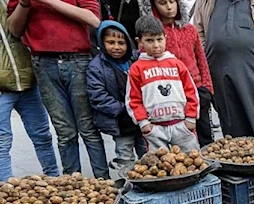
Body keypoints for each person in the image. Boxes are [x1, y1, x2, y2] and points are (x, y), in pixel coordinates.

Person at [7, 0, 110, 179]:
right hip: (44, 63)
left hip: (79, 60)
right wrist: (24, 4)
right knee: (64, 131)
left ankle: (104, 182)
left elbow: (93, 19)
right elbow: (14, 30)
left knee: (88, 128)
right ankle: (72, 186)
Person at [193, 0, 254, 137]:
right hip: (219, 73)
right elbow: (197, 33)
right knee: (231, 125)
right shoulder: (207, 3)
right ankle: (236, 158)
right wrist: (205, 56)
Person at [141, 0, 214, 147]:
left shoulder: (190, 30)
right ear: (153, 6)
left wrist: (207, 88)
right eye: (162, 3)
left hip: (197, 88)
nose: (169, 7)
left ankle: (210, 168)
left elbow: (201, 59)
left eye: (172, 2)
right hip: (172, 94)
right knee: (182, 138)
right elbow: (147, 65)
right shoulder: (154, 36)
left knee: (205, 134)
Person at [0, 0, 59, 181]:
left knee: (42, 135)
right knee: (2, 142)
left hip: (29, 82)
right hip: (2, 90)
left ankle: (54, 179)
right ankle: (6, 189)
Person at [126, 15, 200, 152]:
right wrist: (143, 123)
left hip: (181, 124)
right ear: (139, 42)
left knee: (192, 159)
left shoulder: (177, 64)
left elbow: (191, 91)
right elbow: (133, 100)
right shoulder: (136, 69)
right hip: (155, 128)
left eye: (159, 39)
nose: (156, 45)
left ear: (165, 38)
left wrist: (191, 117)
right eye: (149, 40)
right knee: (160, 165)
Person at [87, 20, 146, 170]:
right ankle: (128, 185)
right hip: (120, 121)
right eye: (111, 42)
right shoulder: (96, 67)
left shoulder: (137, 59)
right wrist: (122, 109)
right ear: (102, 43)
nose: (116, 47)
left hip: (141, 118)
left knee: (147, 154)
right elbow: (98, 96)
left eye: (121, 43)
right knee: (125, 157)